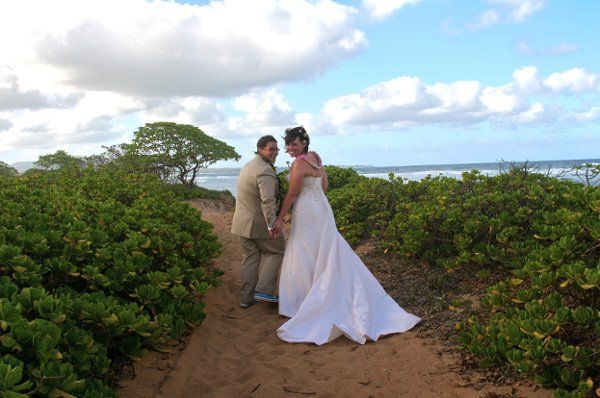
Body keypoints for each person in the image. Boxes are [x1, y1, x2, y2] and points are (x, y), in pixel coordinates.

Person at [272, 126, 420, 345]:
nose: (290, 148)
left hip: (307, 211)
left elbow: (292, 194)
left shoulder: (299, 163)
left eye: (294, 144)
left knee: (302, 251)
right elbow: (324, 186)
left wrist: (279, 218)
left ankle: (300, 303)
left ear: (304, 143)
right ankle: (310, 296)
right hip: (322, 208)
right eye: (288, 144)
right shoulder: (316, 158)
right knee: (324, 249)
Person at [231, 135, 286, 308]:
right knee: (276, 251)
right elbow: (267, 200)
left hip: (241, 223)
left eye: (277, 149)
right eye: (271, 149)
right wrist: (272, 224)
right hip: (259, 224)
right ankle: (263, 290)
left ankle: (246, 299)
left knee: (250, 258)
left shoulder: (249, 165)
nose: (275, 152)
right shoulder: (265, 170)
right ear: (261, 149)